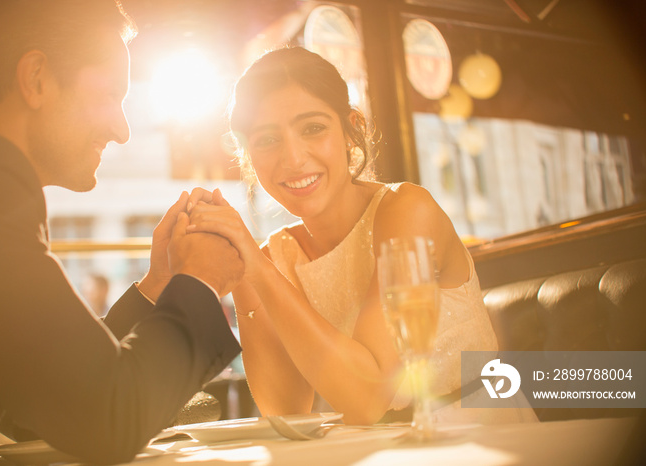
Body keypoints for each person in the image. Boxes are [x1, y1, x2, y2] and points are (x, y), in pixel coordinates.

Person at [0, 1, 243, 464]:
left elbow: (39, 405)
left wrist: (159, 286)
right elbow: (108, 419)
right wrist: (201, 282)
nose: (123, 130)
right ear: (37, 79)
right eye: (110, 95)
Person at [185, 47, 537, 426]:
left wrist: (257, 267)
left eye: (313, 128)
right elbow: (284, 411)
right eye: (267, 140)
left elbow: (369, 399)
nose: (293, 158)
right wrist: (244, 269)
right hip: (369, 448)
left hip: (476, 430)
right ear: (248, 155)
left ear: (351, 129)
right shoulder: (273, 258)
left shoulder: (407, 210)